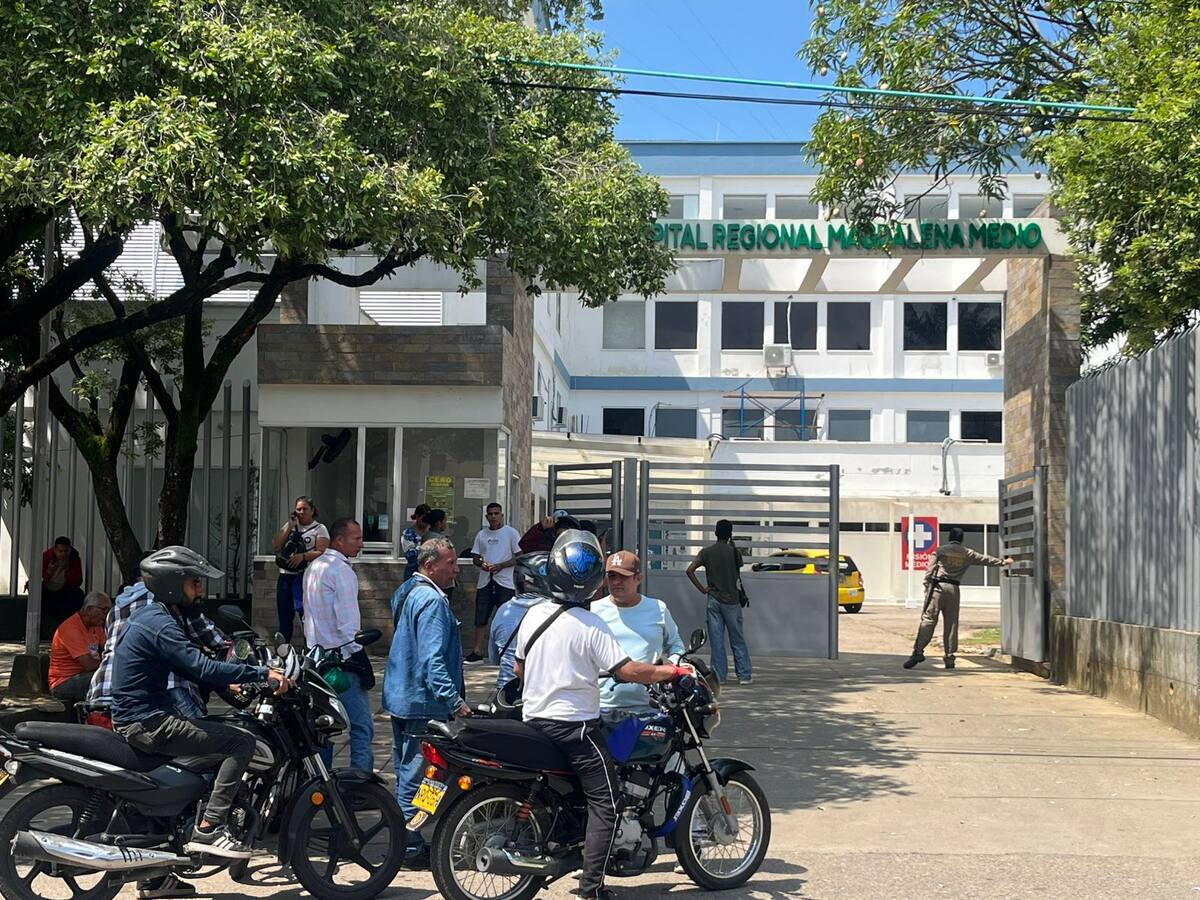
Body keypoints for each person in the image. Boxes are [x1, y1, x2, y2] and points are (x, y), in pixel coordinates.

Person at [514, 530, 692, 900]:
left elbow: (519, 669)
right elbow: (628, 671)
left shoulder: (534, 614)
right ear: (595, 579)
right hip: (575, 728)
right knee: (607, 802)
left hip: (534, 719)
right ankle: (591, 888)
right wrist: (672, 672)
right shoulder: (592, 623)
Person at [108, 546, 289, 860]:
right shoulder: (160, 623)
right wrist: (263, 674)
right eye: (195, 583)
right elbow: (202, 666)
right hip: (148, 722)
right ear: (173, 585)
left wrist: (227, 679)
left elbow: (189, 668)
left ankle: (158, 875)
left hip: (145, 716)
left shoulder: (159, 617)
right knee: (241, 743)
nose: (201, 590)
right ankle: (209, 828)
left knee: (216, 735)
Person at [382, 537, 468, 866]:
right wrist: (455, 701)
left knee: (409, 771)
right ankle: (410, 843)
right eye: (451, 563)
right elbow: (433, 660)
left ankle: (409, 836)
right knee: (424, 774)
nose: (456, 569)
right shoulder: (432, 601)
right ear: (430, 566)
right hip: (424, 703)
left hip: (402, 696)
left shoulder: (407, 591)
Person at [89, 570, 231, 721]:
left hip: (103, 689)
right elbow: (213, 638)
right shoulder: (171, 602)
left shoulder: (116, 606)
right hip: (164, 691)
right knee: (208, 739)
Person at [303, 518, 375, 771]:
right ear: (339, 540)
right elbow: (348, 625)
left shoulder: (314, 567)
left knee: (324, 726)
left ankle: (317, 783)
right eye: (356, 539)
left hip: (316, 660)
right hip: (342, 662)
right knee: (361, 726)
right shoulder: (341, 570)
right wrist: (360, 658)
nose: (361, 544)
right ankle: (361, 783)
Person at [591, 551, 684, 725]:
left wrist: (671, 666)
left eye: (623, 577)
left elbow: (676, 645)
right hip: (600, 710)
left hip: (648, 708)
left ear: (638, 578)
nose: (616, 582)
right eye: (612, 576)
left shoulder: (658, 608)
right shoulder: (592, 611)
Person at [904, 527, 1014, 670]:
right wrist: (1003, 562)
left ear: (949, 537)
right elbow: (985, 559)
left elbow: (930, 570)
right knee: (951, 623)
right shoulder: (967, 553)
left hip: (938, 587)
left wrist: (927, 586)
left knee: (929, 620)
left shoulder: (940, 550)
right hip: (954, 590)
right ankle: (949, 657)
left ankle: (918, 652)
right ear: (962, 539)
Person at [686, 519, 752, 685]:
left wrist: (703, 589)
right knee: (737, 639)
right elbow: (737, 576)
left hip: (714, 600)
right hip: (732, 601)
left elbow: (690, 570)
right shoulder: (734, 552)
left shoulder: (706, 552)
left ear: (716, 533)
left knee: (717, 641)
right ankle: (744, 675)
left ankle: (719, 676)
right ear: (730, 534)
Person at [466, 502, 523, 663]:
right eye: (490, 514)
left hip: (505, 582)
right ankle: (477, 651)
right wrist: (482, 564)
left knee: (507, 616)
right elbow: (475, 557)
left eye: (496, 513)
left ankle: (509, 650)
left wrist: (501, 566)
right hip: (485, 581)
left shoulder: (511, 533)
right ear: (486, 517)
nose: (493, 517)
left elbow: (519, 556)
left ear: (502, 515)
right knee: (481, 617)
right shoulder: (482, 535)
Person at [269, 496, 330, 644]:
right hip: (285, 576)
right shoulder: (290, 525)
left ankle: (310, 650)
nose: (301, 512)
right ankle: (283, 652)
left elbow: (323, 552)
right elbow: (276, 544)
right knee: (284, 616)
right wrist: (290, 525)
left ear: (312, 510)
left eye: (305, 509)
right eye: (298, 509)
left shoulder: (320, 529)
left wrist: (303, 556)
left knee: (306, 616)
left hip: (304, 576)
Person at [488, 552, 549, 688]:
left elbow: (494, 658)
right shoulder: (554, 611)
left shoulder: (503, 610)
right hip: (541, 691)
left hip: (506, 693)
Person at [48, 591, 111, 703]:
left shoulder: (96, 626)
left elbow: (109, 646)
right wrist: (111, 664)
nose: (106, 614)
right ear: (89, 609)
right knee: (108, 677)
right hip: (64, 683)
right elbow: (89, 664)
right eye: (104, 610)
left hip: (84, 675)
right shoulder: (71, 628)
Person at [41, 536, 85, 638]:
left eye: (66, 551)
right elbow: (40, 578)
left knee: (77, 596)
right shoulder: (46, 557)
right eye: (60, 551)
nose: (63, 554)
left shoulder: (74, 558)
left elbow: (78, 581)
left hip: (65, 588)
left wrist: (68, 570)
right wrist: (50, 571)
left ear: (70, 550)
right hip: (47, 589)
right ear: (55, 550)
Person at [401, 504, 432, 579]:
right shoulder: (408, 533)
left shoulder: (431, 533)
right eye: (424, 518)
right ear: (417, 516)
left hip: (430, 573)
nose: (426, 521)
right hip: (413, 573)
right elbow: (411, 555)